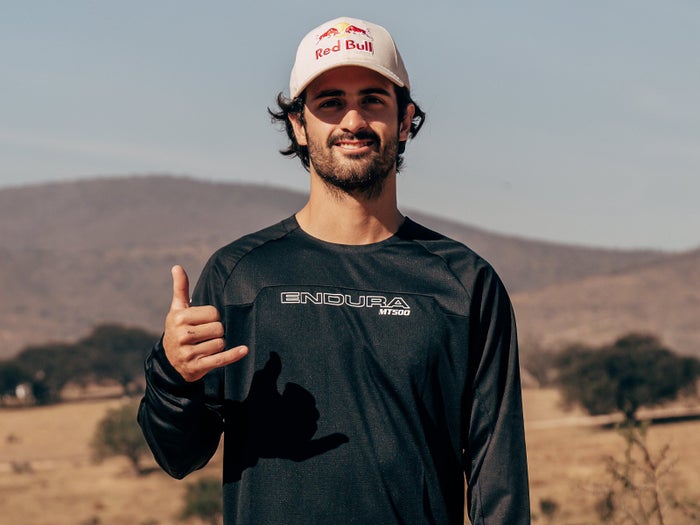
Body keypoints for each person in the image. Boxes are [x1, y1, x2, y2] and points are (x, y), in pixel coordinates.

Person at [138, 15, 530, 524]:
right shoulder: (240, 277)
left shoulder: (464, 284)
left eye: (373, 99)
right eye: (330, 103)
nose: (352, 120)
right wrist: (173, 374)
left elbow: (497, 478)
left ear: (406, 118)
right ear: (299, 125)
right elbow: (177, 456)